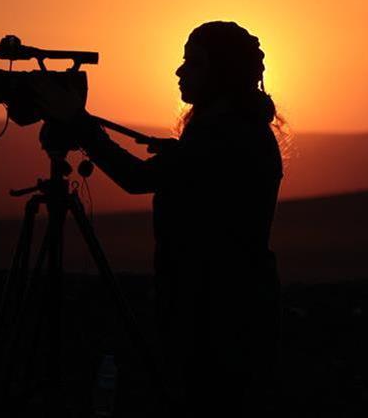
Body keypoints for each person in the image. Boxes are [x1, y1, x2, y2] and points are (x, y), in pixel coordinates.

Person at [73, 21, 284, 416]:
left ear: (222, 73)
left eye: (194, 63)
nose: (180, 71)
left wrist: (81, 127)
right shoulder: (236, 131)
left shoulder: (222, 136)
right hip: (232, 307)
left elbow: (136, 179)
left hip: (215, 317)